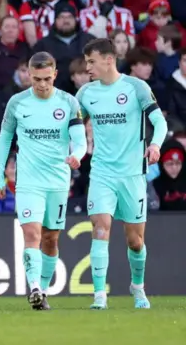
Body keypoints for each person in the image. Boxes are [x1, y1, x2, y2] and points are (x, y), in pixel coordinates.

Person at [77, 38, 168, 310]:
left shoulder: (136, 87)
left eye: (92, 61)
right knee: (100, 228)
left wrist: (155, 144)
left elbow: (159, 122)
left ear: (108, 59)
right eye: (86, 62)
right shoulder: (85, 94)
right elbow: (70, 128)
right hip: (102, 172)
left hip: (132, 175)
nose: (87, 67)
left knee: (135, 241)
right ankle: (99, 296)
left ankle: (137, 288)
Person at [0, 52, 87, 310]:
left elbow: (80, 140)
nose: (42, 84)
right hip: (28, 182)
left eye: (47, 79)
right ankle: (34, 286)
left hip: (57, 181)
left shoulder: (68, 102)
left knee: (50, 239)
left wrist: (76, 156)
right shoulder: (17, 103)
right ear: (28, 75)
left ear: (55, 74)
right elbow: (4, 140)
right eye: (36, 79)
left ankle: (43, 291)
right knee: (32, 233)